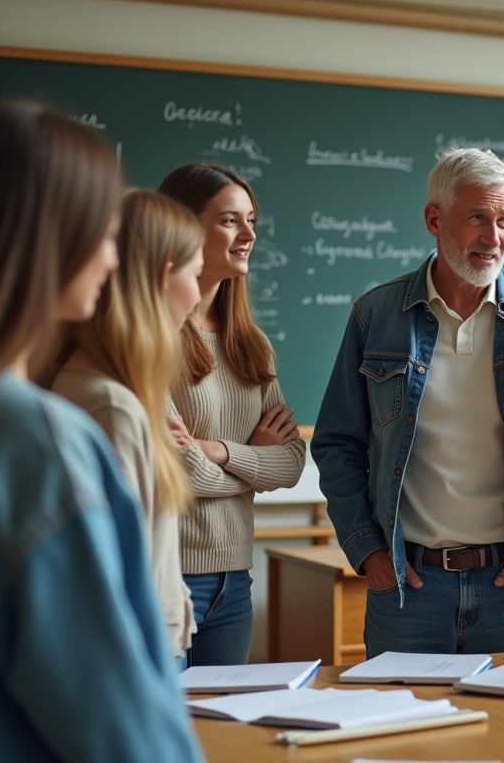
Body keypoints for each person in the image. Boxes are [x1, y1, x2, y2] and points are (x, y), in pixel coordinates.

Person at [0, 103, 202, 761]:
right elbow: (121, 732)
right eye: (104, 234)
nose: (113, 260)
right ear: (48, 241)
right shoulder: (32, 443)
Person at [311, 147, 504, 656]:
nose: (493, 238)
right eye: (477, 218)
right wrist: (369, 552)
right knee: (402, 734)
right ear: (434, 219)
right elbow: (338, 443)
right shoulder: (376, 315)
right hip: (408, 590)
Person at [159, 163, 305, 667]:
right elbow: (176, 470)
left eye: (251, 220)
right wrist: (249, 465)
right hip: (165, 575)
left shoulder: (251, 344)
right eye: (229, 221)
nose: (248, 235)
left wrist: (218, 451)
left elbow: (290, 463)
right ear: (180, 227)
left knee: (224, 740)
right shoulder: (149, 339)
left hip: (235, 582)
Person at [50, 190, 205, 664]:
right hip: (138, 656)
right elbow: (113, 581)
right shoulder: (112, 409)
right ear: (162, 276)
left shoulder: (96, 390)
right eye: (195, 275)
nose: (198, 297)